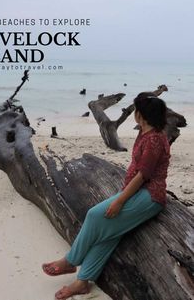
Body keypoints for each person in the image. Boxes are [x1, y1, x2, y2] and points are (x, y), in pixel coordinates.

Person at [42, 92, 171, 300]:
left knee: (94, 215)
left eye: (136, 110)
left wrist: (120, 200)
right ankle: (82, 282)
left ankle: (70, 261)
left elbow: (143, 175)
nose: (134, 114)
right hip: (138, 191)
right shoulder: (146, 133)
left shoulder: (154, 139)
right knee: (110, 232)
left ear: (142, 115)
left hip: (150, 195)